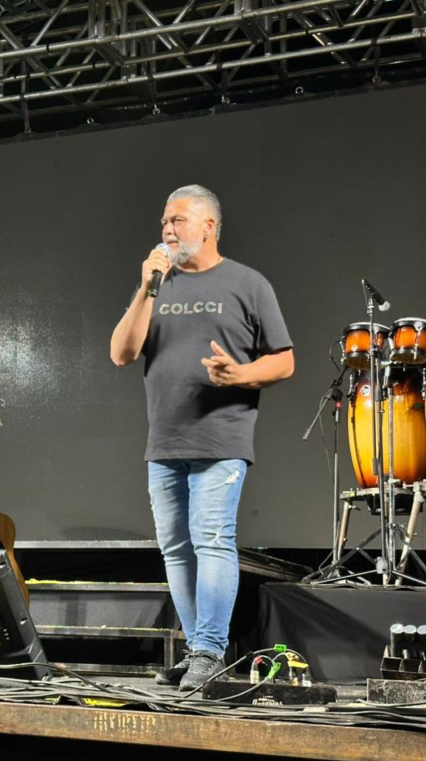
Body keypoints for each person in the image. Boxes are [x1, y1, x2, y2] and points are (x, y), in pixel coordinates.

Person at [109, 185, 294, 692]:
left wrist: (241, 374)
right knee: (175, 549)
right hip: (164, 440)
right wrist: (146, 287)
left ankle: (210, 651)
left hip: (221, 437)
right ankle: (198, 654)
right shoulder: (157, 285)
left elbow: (284, 360)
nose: (167, 230)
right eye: (164, 222)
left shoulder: (247, 283)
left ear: (209, 226)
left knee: (211, 538)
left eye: (178, 220)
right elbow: (121, 353)